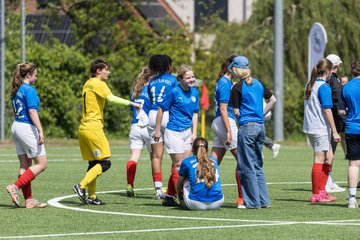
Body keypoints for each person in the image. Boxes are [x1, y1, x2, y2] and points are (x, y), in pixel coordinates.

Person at [73, 58, 141, 205]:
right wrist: (132, 103)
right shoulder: (99, 83)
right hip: (93, 128)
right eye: (106, 69)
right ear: (98, 71)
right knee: (105, 163)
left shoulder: (88, 83)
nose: (108, 72)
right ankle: (81, 186)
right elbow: (111, 98)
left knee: (94, 164)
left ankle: (92, 197)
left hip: (83, 128)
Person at [229, 56, 276, 209]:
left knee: (246, 165)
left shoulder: (237, 87)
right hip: (260, 127)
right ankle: (263, 201)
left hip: (247, 127)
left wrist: (243, 117)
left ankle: (252, 202)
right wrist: (261, 114)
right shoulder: (259, 84)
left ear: (236, 70)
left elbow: (236, 112)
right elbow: (273, 100)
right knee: (257, 165)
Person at [153, 65, 199, 206]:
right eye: (188, 77)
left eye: (192, 77)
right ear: (180, 79)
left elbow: (195, 113)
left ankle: (169, 196)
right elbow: (161, 109)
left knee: (184, 166)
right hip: (174, 132)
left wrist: (194, 133)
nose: (192, 79)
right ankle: (182, 198)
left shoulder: (195, 92)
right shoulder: (173, 92)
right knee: (179, 166)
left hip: (187, 132)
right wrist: (157, 129)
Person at [6, 62, 48, 208]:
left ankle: (29, 199)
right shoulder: (29, 89)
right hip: (26, 127)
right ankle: (15, 187)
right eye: (35, 75)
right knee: (42, 164)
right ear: (28, 75)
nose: (36, 78)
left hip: (16, 126)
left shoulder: (16, 90)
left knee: (25, 164)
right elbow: (32, 111)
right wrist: (40, 130)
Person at [303, 58, 341, 204]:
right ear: (329, 71)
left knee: (329, 157)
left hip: (311, 127)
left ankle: (323, 191)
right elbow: (327, 110)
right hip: (319, 128)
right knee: (319, 159)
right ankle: (316, 194)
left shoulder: (310, 84)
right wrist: (335, 131)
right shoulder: (324, 87)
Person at [211, 55, 243, 207]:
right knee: (243, 160)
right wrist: (229, 131)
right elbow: (223, 109)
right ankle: (242, 198)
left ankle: (202, 191)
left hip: (220, 122)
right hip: (225, 122)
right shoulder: (224, 83)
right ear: (231, 68)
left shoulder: (225, 82)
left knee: (212, 162)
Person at [147, 54, 178, 199]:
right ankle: (175, 187)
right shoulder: (173, 80)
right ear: (168, 66)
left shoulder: (152, 81)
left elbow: (152, 99)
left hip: (153, 116)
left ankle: (158, 190)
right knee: (176, 154)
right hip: (168, 114)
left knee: (156, 156)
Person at [176, 137, 224, 210]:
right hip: (218, 202)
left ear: (192, 149)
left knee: (185, 178)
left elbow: (179, 184)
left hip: (195, 204)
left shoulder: (186, 161)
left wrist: (180, 197)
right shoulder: (214, 160)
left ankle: (183, 202)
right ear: (207, 150)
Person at [126, 67, 152, 197]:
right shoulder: (152, 90)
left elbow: (132, 108)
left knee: (134, 157)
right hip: (148, 127)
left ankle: (130, 185)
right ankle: (158, 188)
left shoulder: (135, 91)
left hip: (135, 126)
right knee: (155, 158)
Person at [337, 59, 360, 208]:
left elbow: (340, 111)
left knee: (354, 163)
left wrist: (350, 116)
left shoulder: (345, 88)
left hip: (352, 128)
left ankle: (352, 198)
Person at [324, 54, 346, 193]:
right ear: (336, 66)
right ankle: (326, 181)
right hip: (333, 120)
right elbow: (337, 101)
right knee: (330, 151)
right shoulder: (333, 80)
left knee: (329, 150)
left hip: (327, 120)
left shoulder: (325, 79)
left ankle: (328, 179)